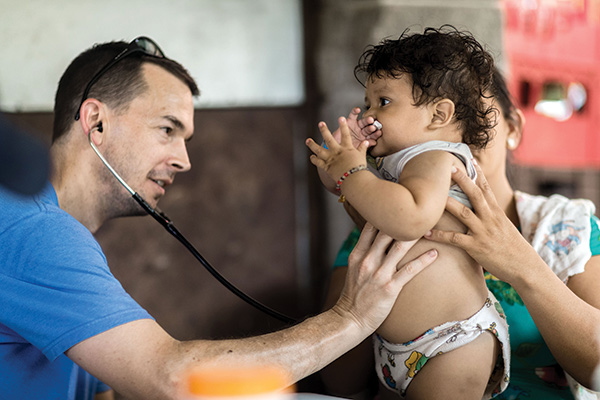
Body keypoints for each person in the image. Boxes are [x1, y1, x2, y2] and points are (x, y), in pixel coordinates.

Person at [0, 37, 439, 400]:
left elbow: (111, 391)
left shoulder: (44, 224)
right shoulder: (37, 230)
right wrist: (351, 318)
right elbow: (169, 379)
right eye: (167, 129)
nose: (184, 160)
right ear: (95, 121)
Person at [320, 66, 600, 400]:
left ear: (513, 128)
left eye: (473, 113)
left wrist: (522, 265)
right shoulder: (379, 226)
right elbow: (341, 385)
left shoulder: (569, 228)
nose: (456, 133)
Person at [306, 26, 510, 399]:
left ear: (439, 114)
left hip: (451, 342)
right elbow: (343, 188)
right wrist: (337, 161)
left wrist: (351, 171)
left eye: (383, 102)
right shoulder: (395, 164)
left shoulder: (434, 159)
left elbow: (410, 217)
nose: (371, 114)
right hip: (396, 346)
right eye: (367, 103)